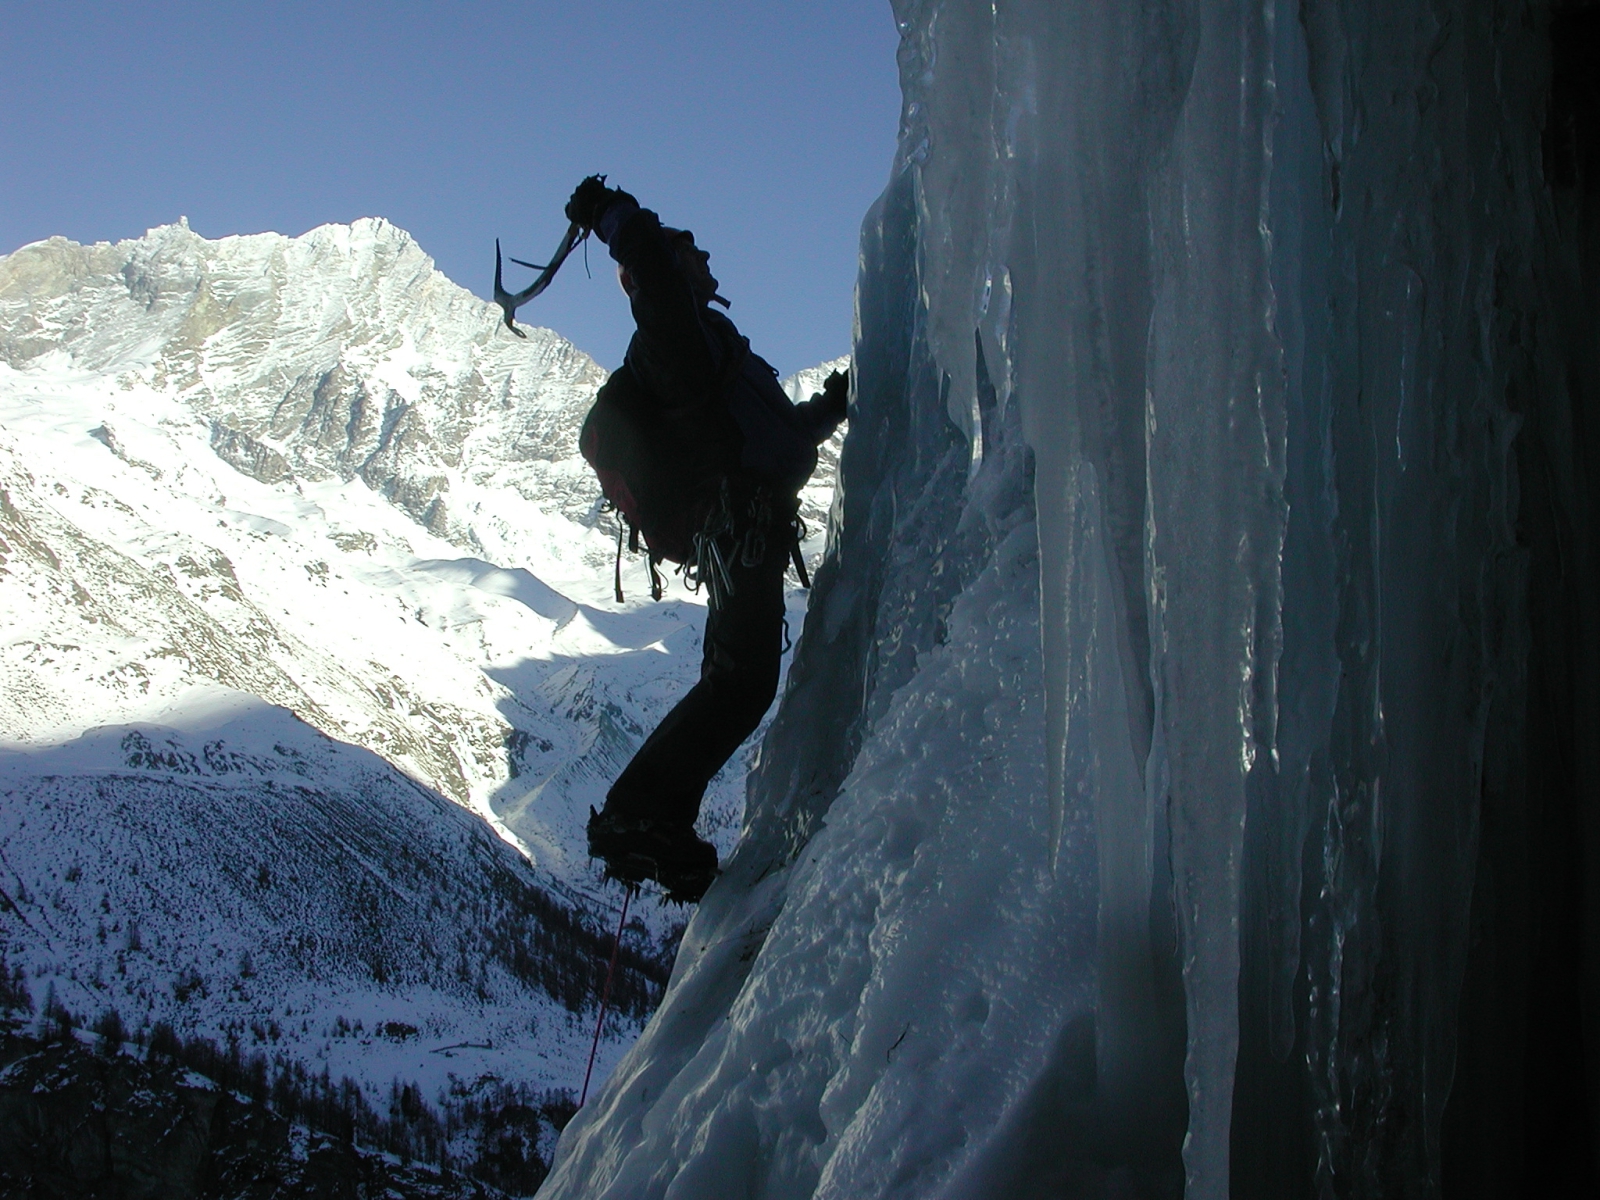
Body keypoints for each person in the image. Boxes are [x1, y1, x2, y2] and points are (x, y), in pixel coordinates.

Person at [564, 176, 848, 903]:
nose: (706, 254)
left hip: (743, 524)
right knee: (738, 684)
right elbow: (651, 265)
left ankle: (659, 820)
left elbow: (769, 433)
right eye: (690, 248)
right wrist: (615, 216)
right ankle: (637, 816)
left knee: (738, 684)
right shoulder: (675, 335)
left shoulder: (709, 346)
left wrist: (829, 409)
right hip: (740, 526)